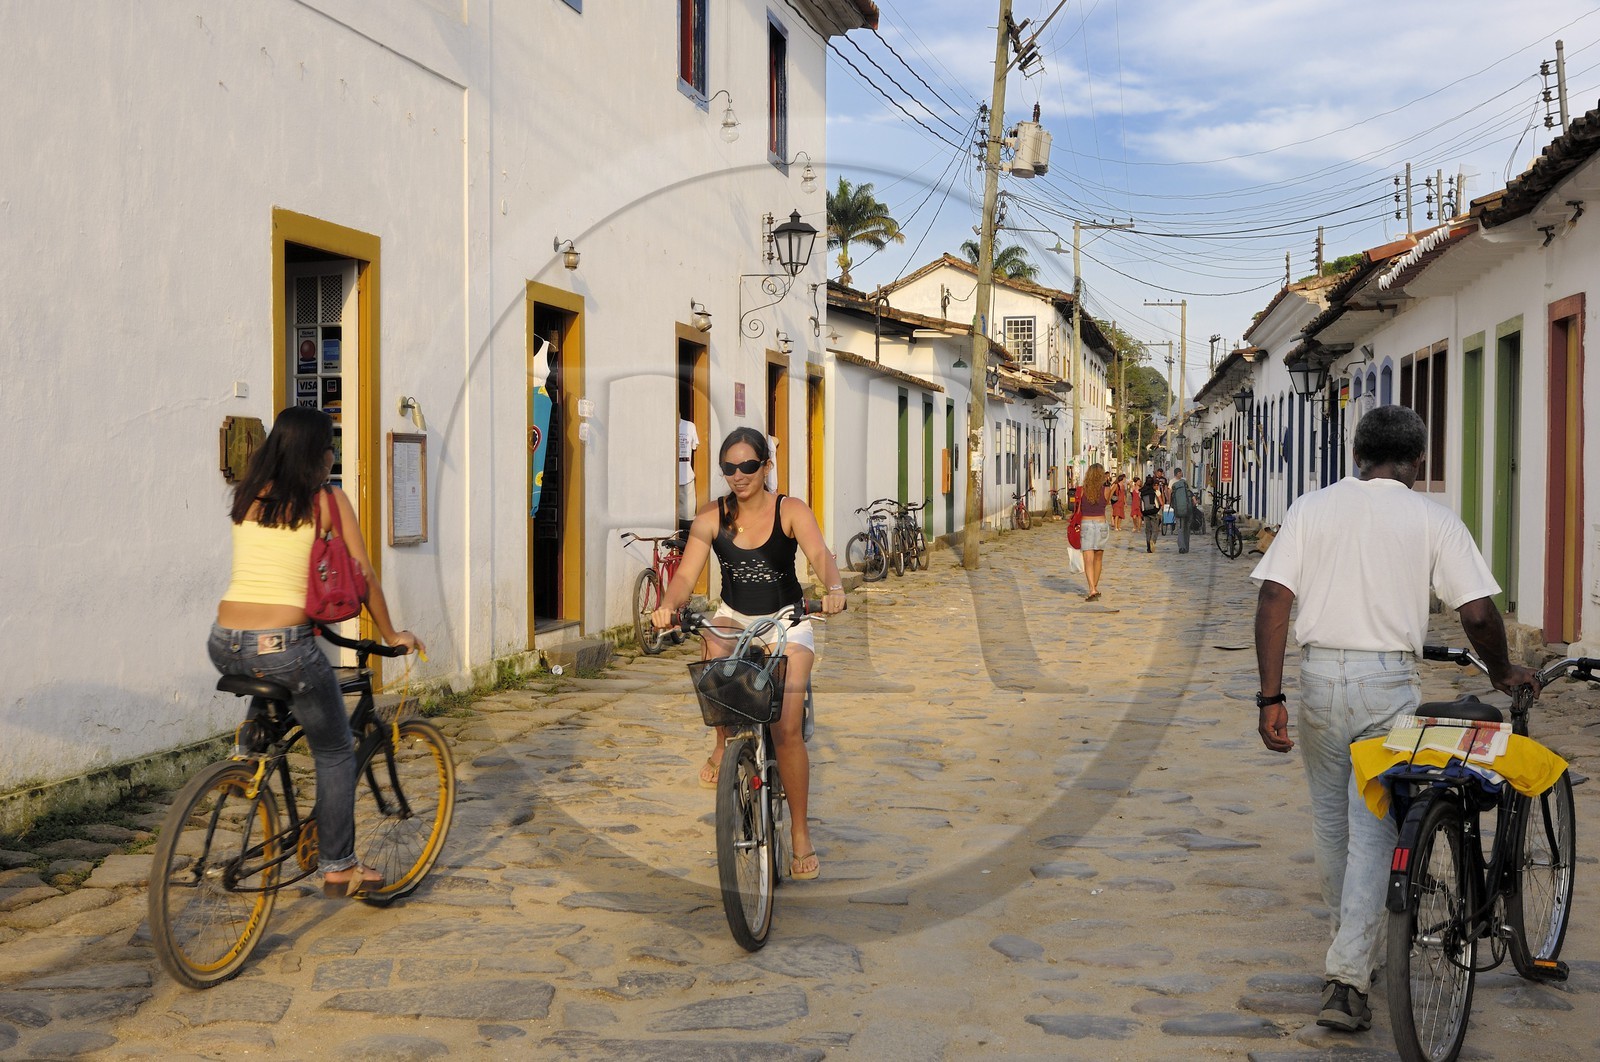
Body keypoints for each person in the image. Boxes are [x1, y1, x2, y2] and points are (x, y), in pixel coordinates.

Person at [1252, 405, 1538, 1033]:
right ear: (1419, 461)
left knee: (1333, 824)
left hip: (1319, 679)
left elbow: (1274, 597)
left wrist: (1270, 697)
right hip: (1386, 686)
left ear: (1357, 455)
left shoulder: (1310, 508)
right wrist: (1501, 671)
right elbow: (1477, 614)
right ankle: (1347, 976)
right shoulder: (1432, 518)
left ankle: (1350, 952)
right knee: (1376, 827)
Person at [212, 407, 423, 898]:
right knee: (334, 750)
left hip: (225, 642)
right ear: (317, 453)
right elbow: (363, 575)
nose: (333, 456)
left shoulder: (248, 495)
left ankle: (248, 749)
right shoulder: (327, 501)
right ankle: (339, 866)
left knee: (274, 677)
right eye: (331, 447)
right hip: (285, 645)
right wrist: (392, 633)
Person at [651, 428, 846, 881]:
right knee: (713, 641)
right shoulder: (711, 516)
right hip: (735, 615)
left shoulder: (790, 510)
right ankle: (723, 744)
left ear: (766, 466)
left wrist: (834, 588)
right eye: (729, 468)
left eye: (748, 466)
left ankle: (800, 832)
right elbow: (685, 576)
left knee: (785, 727)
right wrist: (668, 605)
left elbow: (820, 554)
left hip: (787, 619)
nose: (738, 475)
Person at [1076, 463, 1112, 601]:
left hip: (1086, 524)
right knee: (1098, 558)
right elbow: (1106, 504)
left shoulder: (1082, 490)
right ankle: (1094, 587)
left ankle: (1092, 588)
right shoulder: (1106, 490)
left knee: (1088, 559)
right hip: (1101, 524)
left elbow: (1078, 508)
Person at [677, 416, 700, 533]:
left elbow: (695, 447)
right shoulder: (664, 424)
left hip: (686, 478)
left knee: (687, 519)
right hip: (667, 480)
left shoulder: (689, 426)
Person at [1169, 468, 1194, 553]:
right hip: (1187, 509)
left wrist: (1171, 504)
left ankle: (1181, 547)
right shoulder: (1185, 482)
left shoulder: (1172, 482)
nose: (1181, 474)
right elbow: (1190, 493)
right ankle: (1186, 547)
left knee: (1180, 528)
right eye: (1180, 472)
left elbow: (1170, 494)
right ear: (1177, 473)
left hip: (1178, 509)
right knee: (1187, 529)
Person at [1138, 475, 1162, 553]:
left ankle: (1148, 547)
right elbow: (1161, 502)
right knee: (1155, 529)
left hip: (1145, 512)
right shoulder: (1155, 492)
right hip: (1154, 512)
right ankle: (1153, 540)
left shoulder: (1141, 491)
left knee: (1147, 530)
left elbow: (1140, 502)